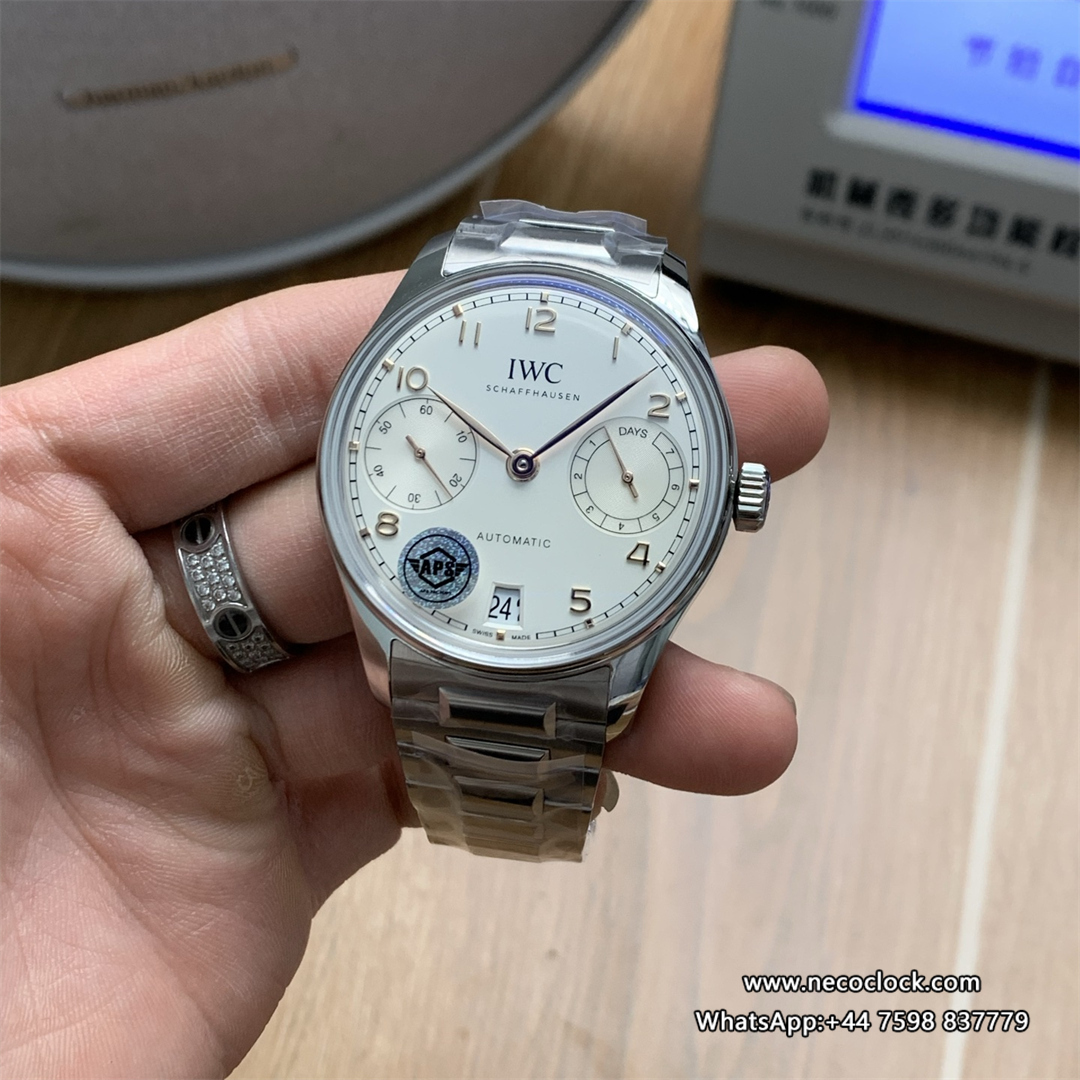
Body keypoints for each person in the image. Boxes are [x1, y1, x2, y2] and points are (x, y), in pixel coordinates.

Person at [0, 270, 829, 1077]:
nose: (522, 461)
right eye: (512, 452)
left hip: (574, 643)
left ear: (734, 494)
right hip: (415, 626)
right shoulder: (422, 369)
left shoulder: (624, 382)